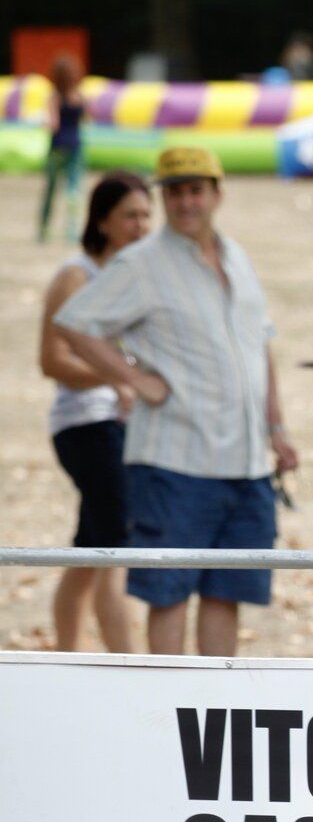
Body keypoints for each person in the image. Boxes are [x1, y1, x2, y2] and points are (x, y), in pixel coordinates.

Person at [52, 146, 298, 657]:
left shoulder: (238, 256)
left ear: (217, 194)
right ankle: (168, 718)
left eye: (196, 190)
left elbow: (260, 345)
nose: (186, 201)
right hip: (174, 462)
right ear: (165, 197)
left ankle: (213, 714)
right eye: (175, 191)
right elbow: (75, 324)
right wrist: (132, 380)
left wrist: (277, 429)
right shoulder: (142, 263)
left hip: (248, 464)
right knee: (169, 597)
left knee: (226, 594)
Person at [37, 172, 150, 653]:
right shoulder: (77, 274)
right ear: (103, 221)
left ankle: (66, 655)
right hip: (85, 425)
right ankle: (126, 667)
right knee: (115, 548)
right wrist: (117, 376)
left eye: (147, 215)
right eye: (130, 215)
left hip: (122, 425)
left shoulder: (137, 278)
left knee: (88, 548)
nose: (141, 226)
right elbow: (51, 359)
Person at [38, 55, 86, 244]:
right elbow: (88, 117)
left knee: (51, 189)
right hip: (75, 146)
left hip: (57, 147)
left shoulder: (54, 97)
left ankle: (43, 228)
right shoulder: (80, 96)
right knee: (73, 190)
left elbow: (53, 124)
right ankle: (71, 230)